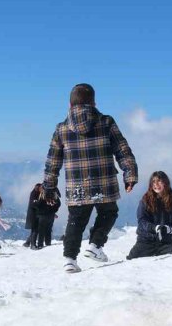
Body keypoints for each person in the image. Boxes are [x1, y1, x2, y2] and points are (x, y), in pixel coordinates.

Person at [44, 83, 138, 273]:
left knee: (76, 220)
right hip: (105, 182)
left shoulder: (61, 129)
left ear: (70, 105)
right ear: (94, 103)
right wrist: (130, 174)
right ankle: (95, 246)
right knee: (109, 213)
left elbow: (53, 161)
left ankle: (70, 259)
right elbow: (122, 149)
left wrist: (49, 187)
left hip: (76, 185)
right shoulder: (106, 122)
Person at [126, 171, 172, 260]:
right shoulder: (145, 200)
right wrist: (155, 228)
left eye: (159, 181)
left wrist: (170, 230)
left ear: (165, 183)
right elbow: (142, 222)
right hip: (145, 242)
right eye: (153, 182)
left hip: (165, 244)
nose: (156, 184)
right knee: (130, 261)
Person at [23, 183, 42, 248]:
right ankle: (33, 245)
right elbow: (34, 204)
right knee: (35, 230)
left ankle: (27, 243)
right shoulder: (34, 194)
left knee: (35, 229)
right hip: (33, 215)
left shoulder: (35, 193)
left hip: (34, 214)